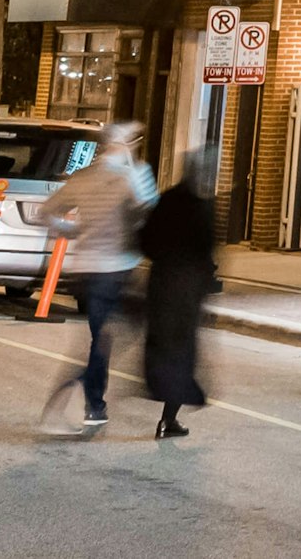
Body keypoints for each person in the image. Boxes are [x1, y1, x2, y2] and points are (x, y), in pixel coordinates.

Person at [40, 123, 148, 436]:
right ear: (122, 145)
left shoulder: (83, 178)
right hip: (118, 270)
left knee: (102, 337)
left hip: (86, 269)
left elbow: (46, 213)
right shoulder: (132, 178)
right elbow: (147, 215)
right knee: (108, 339)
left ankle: (95, 406)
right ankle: (73, 401)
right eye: (131, 142)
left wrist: (74, 230)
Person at [139, 147, 219, 441]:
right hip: (187, 289)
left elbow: (145, 239)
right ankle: (167, 418)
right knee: (183, 353)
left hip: (162, 283)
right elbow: (208, 251)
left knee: (162, 347)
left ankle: (163, 407)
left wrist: (161, 259)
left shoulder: (168, 200)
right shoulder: (203, 206)